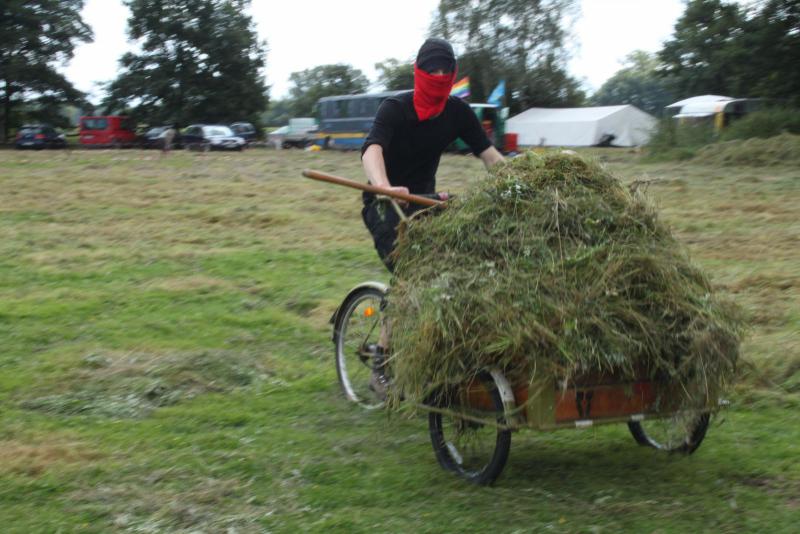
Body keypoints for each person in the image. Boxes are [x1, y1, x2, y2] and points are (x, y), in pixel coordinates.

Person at [360, 37, 505, 396]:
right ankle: (382, 362)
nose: (439, 76)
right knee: (412, 271)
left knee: (457, 267)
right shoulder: (396, 108)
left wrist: (521, 184)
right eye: (432, 70)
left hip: (426, 201)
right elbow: (371, 149)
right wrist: (384, 186)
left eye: (445, 71)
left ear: (453, 73)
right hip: (385, 202)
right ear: (419, 71)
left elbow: (490, 156)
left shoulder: (456, 112)